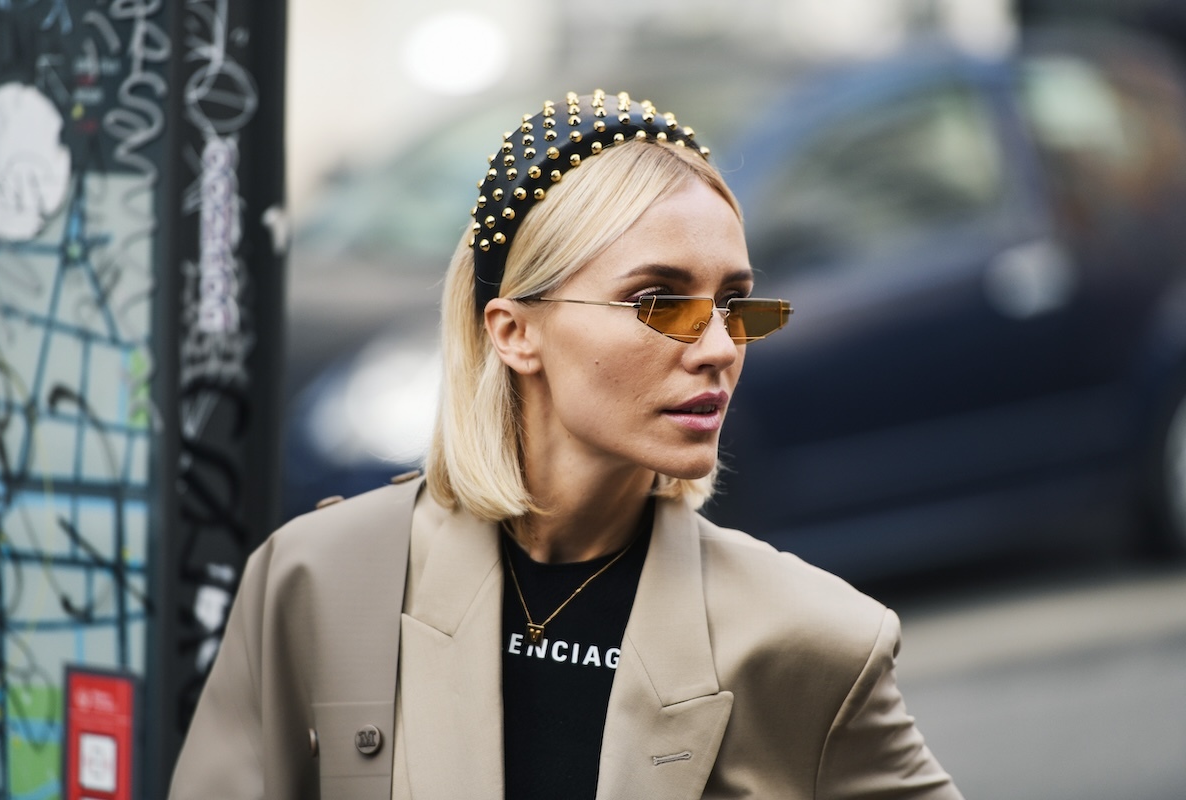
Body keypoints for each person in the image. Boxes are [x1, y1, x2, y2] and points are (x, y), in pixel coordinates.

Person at [169, 90, 963, 799]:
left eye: (736, 303)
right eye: (659, 300)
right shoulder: (319, 577)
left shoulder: (811, 638)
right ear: (514, 332)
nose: (720, 346)